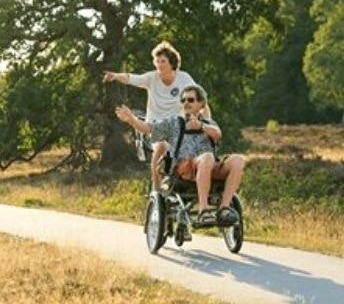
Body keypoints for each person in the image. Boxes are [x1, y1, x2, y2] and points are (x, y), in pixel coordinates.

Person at [115, 84, 245, 225]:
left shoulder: (208, 123)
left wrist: (201, 126)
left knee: (238, 160)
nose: (186, 103)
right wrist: (131, 119)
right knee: (207, 157)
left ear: (201, 104)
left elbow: (218, 135)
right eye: (183, 100)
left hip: (209, 166)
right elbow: (147, 128)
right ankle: (204, 210)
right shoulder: (174, 123)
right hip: (184, 168)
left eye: (190, 100)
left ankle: (224, 208)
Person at [104, 41, 200, 192]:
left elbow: (199, 97)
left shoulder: (184, 78)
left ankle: (185, 184)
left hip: (177, 126)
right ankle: (157, 191)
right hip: (154, 126)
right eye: (157, 61)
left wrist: (201, 117)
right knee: (161, 148)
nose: (159, 64)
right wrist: (115, 76)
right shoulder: (152, 78)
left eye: (163, 61)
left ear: (172, 63)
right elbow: (132, 78)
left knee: (193, 148)